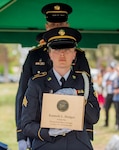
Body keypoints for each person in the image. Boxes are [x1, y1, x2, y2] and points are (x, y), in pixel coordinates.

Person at [15, 3, 91, 149]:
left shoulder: (79, 56)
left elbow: (87, 92)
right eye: (53, 24)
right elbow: (22, 95)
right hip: (41, 131)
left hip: (74, 133)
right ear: (46, 26)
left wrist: (87, 133)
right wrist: (21, 135)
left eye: (61, 23)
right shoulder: (34, 55)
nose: (57, 27)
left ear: (67, 24)